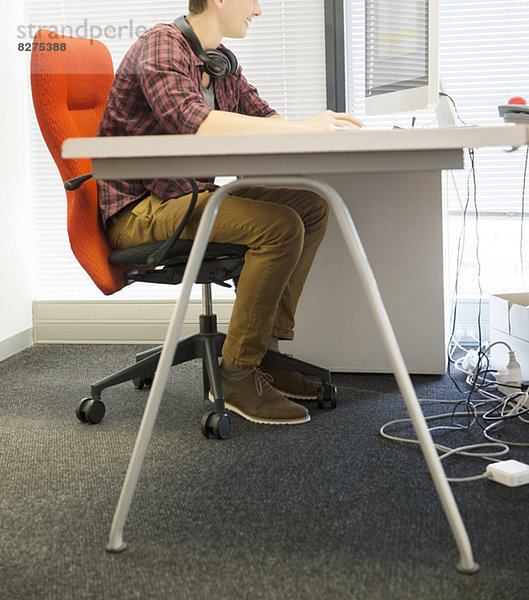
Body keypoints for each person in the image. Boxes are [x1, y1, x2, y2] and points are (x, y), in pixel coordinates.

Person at [97, 0, 363, 425]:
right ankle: (237, 372)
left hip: (185, 199)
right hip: (143, 212)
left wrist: (314, 128)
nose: (258, 10)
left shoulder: (220, 64)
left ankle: (263, 356)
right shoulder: (161, 46)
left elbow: (264, 116)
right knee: (279, 228)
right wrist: (299, 128)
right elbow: (192, 121)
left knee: (309, 206)